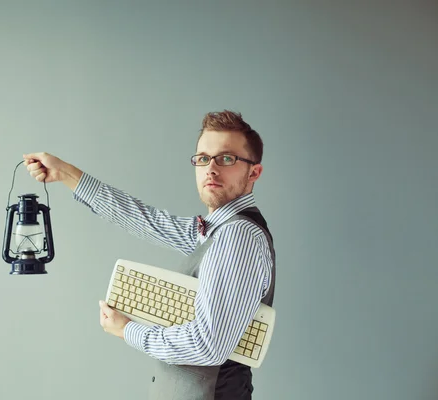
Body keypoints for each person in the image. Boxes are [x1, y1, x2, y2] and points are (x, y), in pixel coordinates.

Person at [23, 110, 276, 400]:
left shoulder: (238, 236)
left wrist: (128, 330)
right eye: (203, 158)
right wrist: (66, 174)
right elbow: (148, 221)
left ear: (253, 172)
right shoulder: (218, 231)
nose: (211, 169)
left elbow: (208, 345)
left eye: (226, 158)